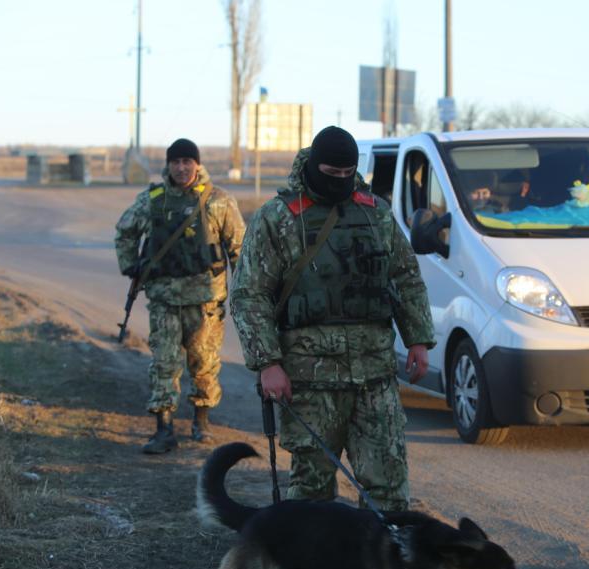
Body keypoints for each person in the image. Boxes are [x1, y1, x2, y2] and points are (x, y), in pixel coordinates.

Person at [230, 126, 434, 511]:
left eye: (347, 174)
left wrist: (418, 338)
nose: (339, 181)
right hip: (309, 380)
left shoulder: (375, 213)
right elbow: (249, 294)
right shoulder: (278, 218)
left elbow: (405, 276)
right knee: (313, 491)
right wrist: (267, 363)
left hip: (374, 375)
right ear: (312, 166)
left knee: (388, 486)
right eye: (331, 173)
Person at [114, 138, 246, 453]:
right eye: (176, 162)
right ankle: (164, 429)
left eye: (188, 161)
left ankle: (202, 422)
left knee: (204, 362)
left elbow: (239, 247)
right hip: (164, 299)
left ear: (197, 164)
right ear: (168, 165)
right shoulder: (152, 200)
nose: (182, 167)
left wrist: (245, 287)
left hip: (205, 299)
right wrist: (131, 266)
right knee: (164, 362)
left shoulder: (218, 201)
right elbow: (124, 231)